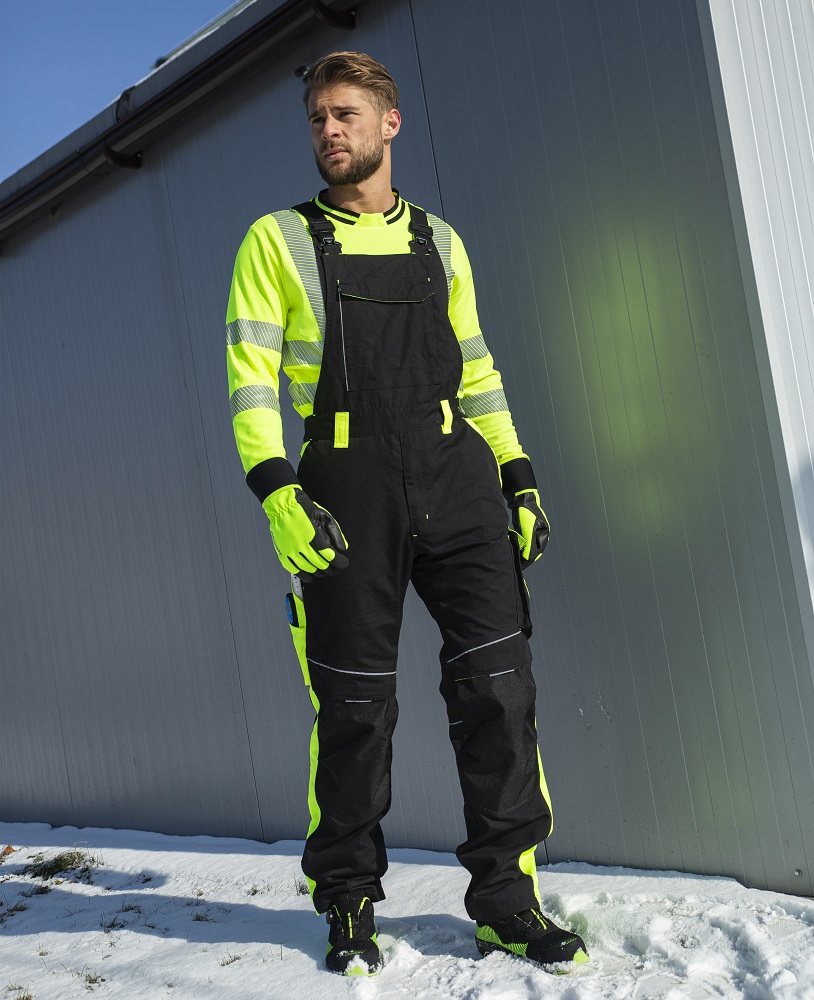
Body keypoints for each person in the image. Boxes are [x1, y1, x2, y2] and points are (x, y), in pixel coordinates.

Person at [225, 50, 587, 977]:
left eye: (345, 114)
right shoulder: (278, 241)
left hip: (455, 472)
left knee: (499, 691)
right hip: (342, 487)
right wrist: (276, 489)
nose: (328, 131)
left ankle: (508, 902)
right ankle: (349, 902)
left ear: (389, 124)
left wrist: (518, 476)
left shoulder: (441, 242)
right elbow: (250, 381)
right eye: (317, 118)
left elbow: (477, 368)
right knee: (354, 707)